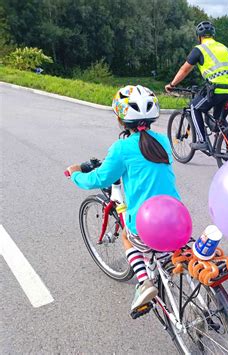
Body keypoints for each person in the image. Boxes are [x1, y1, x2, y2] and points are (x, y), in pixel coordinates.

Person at [66, 85, 181, 311]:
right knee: (168, 252)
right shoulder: (164, 142)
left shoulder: (122, 147)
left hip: (148, 225)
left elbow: (99, 179)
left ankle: (144, 283)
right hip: (178, 217)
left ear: (121, 119)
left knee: (128, 237)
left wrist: (75, 174)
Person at [165, 21, 228, 151]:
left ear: (199, 36)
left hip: (217, 88)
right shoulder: (225, 48)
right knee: (219, 119)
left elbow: (185, 69)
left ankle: (202, 141)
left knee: (194, 107)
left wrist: (172, 84)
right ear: (213, 35)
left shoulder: (200, 49)